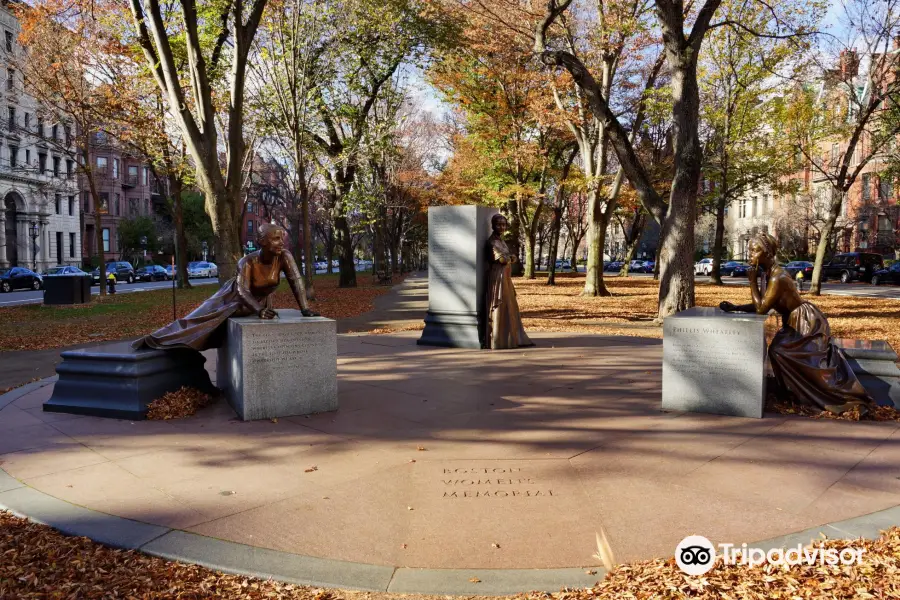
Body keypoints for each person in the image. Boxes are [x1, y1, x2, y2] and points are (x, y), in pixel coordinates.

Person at [719, 232, 874, 415]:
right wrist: (736, 307)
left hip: (805, 321)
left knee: (781, 352)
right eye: (750, 251)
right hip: (792, 320)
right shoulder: (767, 274)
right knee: (777, 351)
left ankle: (816, 395)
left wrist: (751, 282)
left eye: (755, 251)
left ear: (767, 253)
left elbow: (761, 309)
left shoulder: (778, 277)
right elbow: (762, 304)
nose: (750, 255)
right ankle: (790, 392)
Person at [133, 223, 318, 351]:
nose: (281, 243)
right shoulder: (247, 262)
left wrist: (305, 309)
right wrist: (259, 310)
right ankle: (155, 340)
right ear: (262, 241)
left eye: (281, 239)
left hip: (253, 303)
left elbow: (296, 280)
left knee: (204, 328)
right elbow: (242, 290)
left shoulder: (284, 256)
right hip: (230, 298)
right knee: (195, 321)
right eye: (276, 239)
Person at [484, 214, 533, 350]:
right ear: (493, 225)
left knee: (509, 305)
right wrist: (510, 258)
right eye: (499, 224)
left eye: (504, 224)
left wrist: (510, 257)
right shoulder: (492, 241)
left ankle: (510, 337)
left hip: (506, 276)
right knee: (500, 306)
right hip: (498, 277)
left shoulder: (502, 241)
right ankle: (499, 339)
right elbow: (502, 260)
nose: (502, 227)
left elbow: (511, 257)